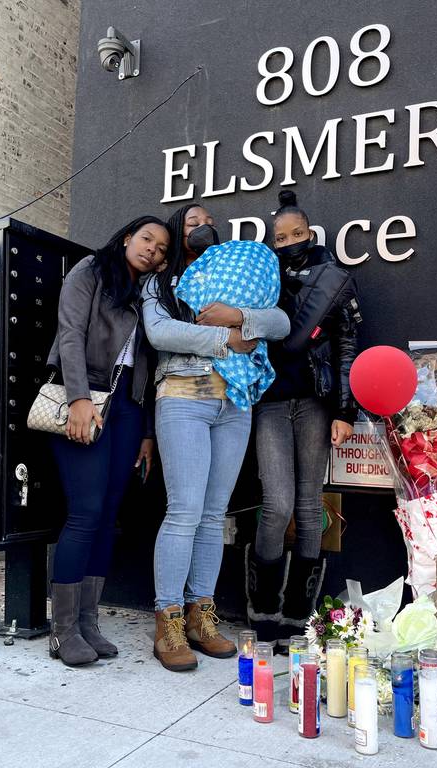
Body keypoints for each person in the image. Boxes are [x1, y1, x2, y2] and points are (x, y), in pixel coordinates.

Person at [143, 203, 290, 672]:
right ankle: (167, 619)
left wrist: (239, 315)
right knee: (184, 510)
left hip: (235, 403)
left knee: (212, 515)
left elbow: (280, 323)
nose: (199, 227)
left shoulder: (241, 274)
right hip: (184, 395)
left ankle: (200, 617)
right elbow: (159, 332)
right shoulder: (162, 281)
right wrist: (227, 339)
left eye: (206, 221)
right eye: (189, 222)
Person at [44, 216, 169, 666]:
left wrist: (149, 434)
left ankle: (89, 622)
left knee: (109, 516)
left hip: (128, 411)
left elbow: (150, 367)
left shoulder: (148, 295)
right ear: (126, 237)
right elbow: (70, 333)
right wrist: (78, 397)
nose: (152, 249)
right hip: (88, 397)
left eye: (160, 247)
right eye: (146, 239)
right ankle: (62, 630)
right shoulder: (91, 271)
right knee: (86, 512)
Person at [245, 190, 361, 644]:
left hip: (315, 401)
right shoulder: (259, 275)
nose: (289, 241)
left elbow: (348, 346)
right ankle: (263, 610)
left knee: (311, 507)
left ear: (310, 233)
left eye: (296, 234)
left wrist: (345, 410)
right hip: (269, 401)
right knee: (276, 505)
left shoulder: (334, 278)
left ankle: (299, 616)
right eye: (280, 236)